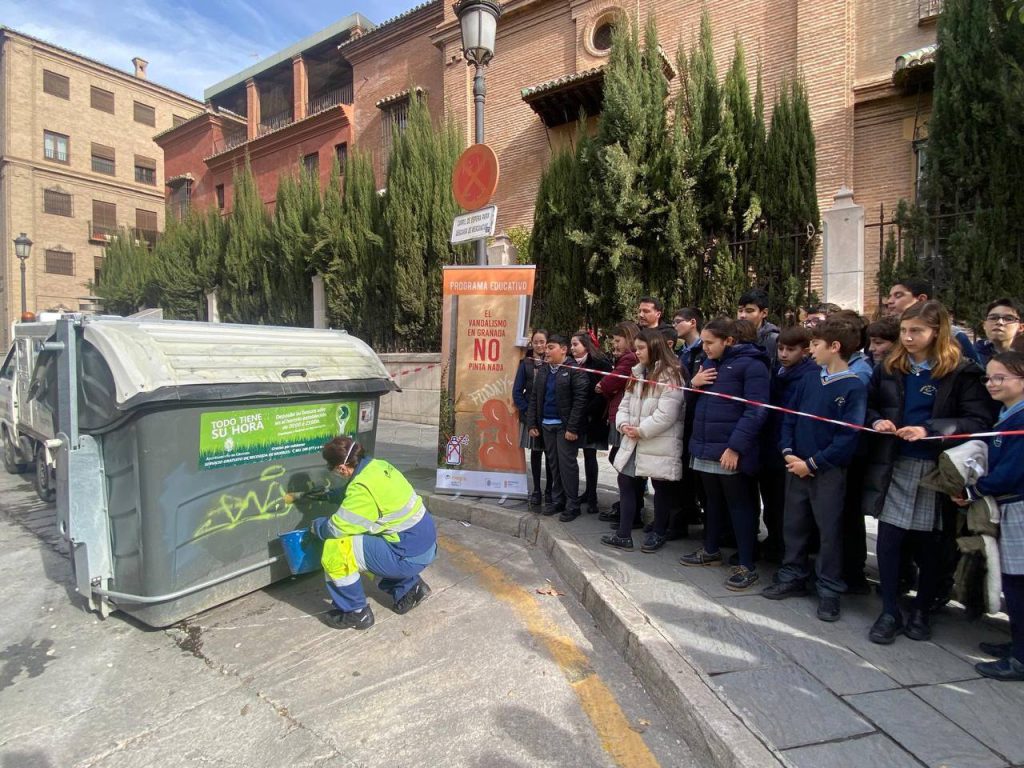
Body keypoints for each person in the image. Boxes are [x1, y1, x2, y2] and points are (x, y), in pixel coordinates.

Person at [863, 301, 996, 644]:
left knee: (932, 544)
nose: (907, 338)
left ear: (937, 332)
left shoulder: (961, 371)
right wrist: (877, 419)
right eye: (904, 330)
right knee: (890, 539)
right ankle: (889, 609)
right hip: (896, 463)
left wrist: (929, 429)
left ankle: (921, 609)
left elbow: (978, 420)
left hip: (938, 468)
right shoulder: (889, 367)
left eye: (916, 331)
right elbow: (870, 404)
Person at [762, 319, 868, 621]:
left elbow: (847, 437)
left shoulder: (853, 386)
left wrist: (813, 463)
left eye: (816, 345)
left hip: (827, 471)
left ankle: (829, 588)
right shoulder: (809, 379)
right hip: (795, 466)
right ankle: (792, 574)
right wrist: (788, 452)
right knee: (793, 524)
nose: (811, 350)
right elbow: (789, 417)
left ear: (835, 347)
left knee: (829, 531)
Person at [310, 436, 437, 630]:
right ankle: (410, 589)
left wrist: (316, 527)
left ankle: (356, 613)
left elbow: (337, 528)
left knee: (336, 549)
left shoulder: (361, 489)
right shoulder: (378, 466)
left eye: (331, 467)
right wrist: (329, 496)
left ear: (342, 468)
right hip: (424, 546)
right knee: (367, 543)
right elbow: (357, 494)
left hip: (407, 555)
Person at [680, 318, 770, 591]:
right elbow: (692, 404)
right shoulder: (708, 363)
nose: (704, 347)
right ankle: (710, 550)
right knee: (711, 502)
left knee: (740, 507)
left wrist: (735, 447)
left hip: (730, 450)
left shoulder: (752, 366)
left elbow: (756, 410)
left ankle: (746, 563)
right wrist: (693, 384)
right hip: (705, 444)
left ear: (728, 341)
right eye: (703, 342)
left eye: (709, 342)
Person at [601, 328, 685, 552]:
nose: (636, 352)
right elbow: (625, 403)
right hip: (633, 437)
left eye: (640, 348)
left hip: (658, 441)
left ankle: (658, 533)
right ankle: (624, 534)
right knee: (626, 481)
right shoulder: (636, 372)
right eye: (635, 348)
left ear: (654, 348)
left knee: (661, 488)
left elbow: (667, 414)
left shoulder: (671, 374)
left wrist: (641, 430)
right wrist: (623, 424)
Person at [968, 352, 1024, 681]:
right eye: (988, 378)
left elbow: (1012, 472)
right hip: (1011, 505)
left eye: (1000, 378)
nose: (991, 384)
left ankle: (1020, 659)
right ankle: (1018, 644)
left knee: (1018, 582)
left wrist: (976, 488)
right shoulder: (1008, 414)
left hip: (1018, 505)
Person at [759, 325, 817, 563]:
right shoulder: (780, 371)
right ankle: (774, 541)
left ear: (805, 350)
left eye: (790, 350)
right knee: (772, 501)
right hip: (772, 443)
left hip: (791, 449)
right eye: (780, 348)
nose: (783, 354)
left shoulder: (808, 375)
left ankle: (789, 552)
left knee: (788, 506)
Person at [527, 334, 589, 522]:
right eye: (546, 348)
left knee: (567, 465)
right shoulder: (544, 371)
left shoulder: (574, 371)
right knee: (553, 465)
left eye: (551, 347)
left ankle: (572, 503)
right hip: (546, 425)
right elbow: (534, 398)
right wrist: (532, 423)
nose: (546, 351)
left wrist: (572, 428)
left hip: (564, 428)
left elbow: (580, 402)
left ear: (563, 350)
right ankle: (557, 500)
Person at [596, 322, 642, 526]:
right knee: (621, 460)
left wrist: (602, 385)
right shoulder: (626, 358)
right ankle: (628, 506)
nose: (614, 344)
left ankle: (631, 511)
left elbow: (612, 381)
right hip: (619, 413)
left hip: (623, 417)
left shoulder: (630, 358)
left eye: (617, 340)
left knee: (623, 461)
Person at [883, 279, 979, 363]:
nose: (889, 301)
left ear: (921, 299)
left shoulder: (954, 335)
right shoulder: (887, 331)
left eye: (898, 295)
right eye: (903, 330)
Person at [571, 331, 612, 515]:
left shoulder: (600, 364)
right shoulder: (570, 364)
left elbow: (603, 392)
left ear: (586, 346)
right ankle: (585, 492)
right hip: (575, 417)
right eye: (571, 345)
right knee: (577, 455)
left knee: (590, 456)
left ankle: (592, 495)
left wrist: (586, 411)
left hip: (592, 418)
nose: (572, 349)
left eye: (575, 345)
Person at [513, 329, 552, 507]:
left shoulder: (554, 362)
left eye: (542, 341)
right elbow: (517, 392)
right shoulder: (525, 364)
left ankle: (550, 491)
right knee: (536, 454)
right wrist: (528, 412)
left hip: (550, 416)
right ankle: (536, 490)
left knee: (551, 456)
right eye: (535, 342)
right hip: (531, 417)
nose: (539, 345)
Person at [738, 288, 781, 368]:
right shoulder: (731, 337)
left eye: (749, 311)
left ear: (764, 313)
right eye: (740, 310)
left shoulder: (774, 340)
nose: (742, 316)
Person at [975, 298, 1022, 368]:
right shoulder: (971, 357)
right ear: (984, 325)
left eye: (1008, 319)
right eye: (993, 318)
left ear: (1020, 327)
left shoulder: (1021, 359)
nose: (999, 322)